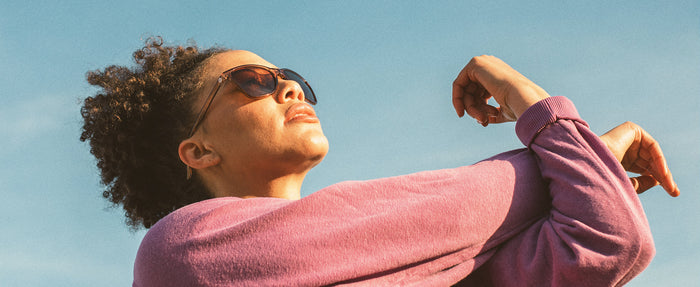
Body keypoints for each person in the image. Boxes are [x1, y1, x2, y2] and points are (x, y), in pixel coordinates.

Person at [80, 38, 679, 286]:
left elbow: (609, 239)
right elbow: (455, 207)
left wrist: (562, 138)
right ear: (199, 150)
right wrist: (560, 136)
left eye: (293, 79)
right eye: (253, 82)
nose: (288, 87)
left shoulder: (425, 264)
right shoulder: (181, 253)